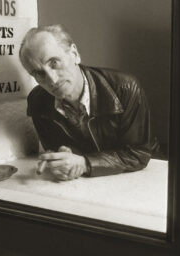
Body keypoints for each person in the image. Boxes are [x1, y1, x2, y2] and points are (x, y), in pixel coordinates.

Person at [18, 25, 156, 181]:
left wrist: (85, 163)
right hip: (83, 185)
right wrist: (61, 160)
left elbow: (138, 154)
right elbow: (56, 149)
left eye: (54, 63)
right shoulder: (37, 102)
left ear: (75, 54)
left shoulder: (125, 87)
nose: (52, 80)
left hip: (138, 180)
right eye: (39, 73)